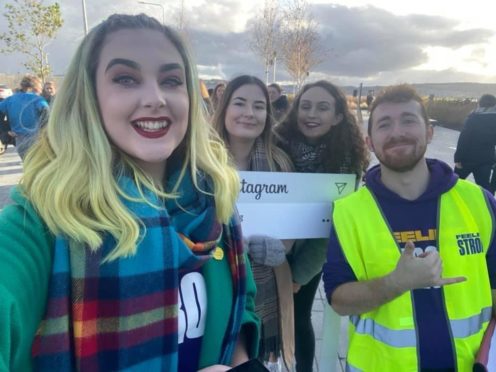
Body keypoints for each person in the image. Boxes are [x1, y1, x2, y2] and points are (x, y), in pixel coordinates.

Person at [0, 14, 260, 372]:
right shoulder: (40, 221)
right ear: (89, 96)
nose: (155, 98)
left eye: (171, 80)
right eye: (125, 79)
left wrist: (239, 362)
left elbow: (241, 303)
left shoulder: (213, 200)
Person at [323, 84, 496, 371]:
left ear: (429, 132)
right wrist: (397, 283)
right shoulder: (349, 212)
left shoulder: (479, 202)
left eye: (408, 120)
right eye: (384, 124)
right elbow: (339, 301)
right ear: (369, 142)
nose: (397, 132)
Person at [275, 80, 369, 372]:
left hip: (309, 254)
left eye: (322, 107)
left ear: (338, 116)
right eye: (305, 106)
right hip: (266, 244)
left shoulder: (346, 161)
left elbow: (333, 227)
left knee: (299, 317)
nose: (311, 114)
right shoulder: (275, 145)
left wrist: (299, 275)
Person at [213, 75, 295, 372]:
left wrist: (280, 248)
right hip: (214, 281)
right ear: (223, 109)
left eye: (259, 106)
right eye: (240, 103)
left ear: (267, 115)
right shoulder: (200, 160)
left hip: (266, 286)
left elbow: (291, 225)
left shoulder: (281, 164)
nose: (249, 113)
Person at [454, 93, 496, 193]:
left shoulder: (473, 118)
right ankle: (487, 206)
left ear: (480, 104)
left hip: (466, 159)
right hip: (485, 160)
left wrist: (458, 158)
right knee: (484, 190)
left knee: (453, 185)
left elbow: (464, 139)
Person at [0, 74, 49, 159]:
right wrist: (44, 130)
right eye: (40, 86)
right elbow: (46, 111)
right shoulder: (37, 99)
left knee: (27, 163)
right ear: (34, 87)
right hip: (36, 139)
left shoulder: (10, 100)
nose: (41, 89)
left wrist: (6, 129)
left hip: (18, 139)